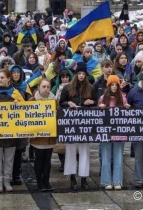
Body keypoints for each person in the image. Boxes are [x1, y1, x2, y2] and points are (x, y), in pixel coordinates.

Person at [0, 68, 23, 193]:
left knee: (9, 159)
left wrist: (19, 105)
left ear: (8, 79)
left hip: (11, 131)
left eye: (2, 77)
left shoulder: (15, 93)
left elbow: (25, 111)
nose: (0, 79)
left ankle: (7, 180)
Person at [59, 63, 94, 191]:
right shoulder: (68, 88)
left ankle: (84, 178)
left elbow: (96, 102)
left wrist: (92, 102)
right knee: (71, 151)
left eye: (83, 74)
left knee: (85, 151)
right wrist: (68, 102)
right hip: (71, 124)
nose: (81, 76)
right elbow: (61, 103)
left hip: (85, 123)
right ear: (76, 74)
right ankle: (72, 178)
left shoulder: (90, 87)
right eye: (79, 73)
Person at [98, 76, 130, 190]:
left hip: (119, 132)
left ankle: (117, 181)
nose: (114, 87)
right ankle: (106, 181)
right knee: (105, 158)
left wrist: (127, 108)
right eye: (112, 84)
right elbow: (97, 116)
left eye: (116, 84)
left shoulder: (123, 98)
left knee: (118, 158)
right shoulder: (102, 98)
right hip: (106, 133)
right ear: (108, 86)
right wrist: (100, 108)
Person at [31, 79, 56, 191]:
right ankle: (39, 181)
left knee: (48, 159)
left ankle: (46, 180)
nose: (46, 89)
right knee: (39, 159)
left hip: (50, 136)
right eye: (44, 87)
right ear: (39, 88)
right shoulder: (33, 100)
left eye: (48, 87)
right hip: (38, 136)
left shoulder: (54, 100)